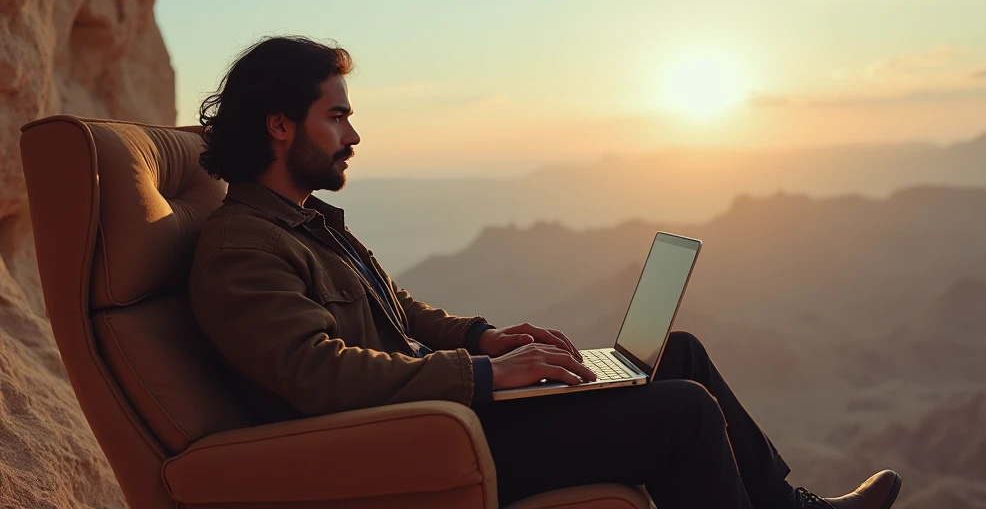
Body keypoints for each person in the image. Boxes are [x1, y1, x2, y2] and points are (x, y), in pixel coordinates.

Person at [189, 36, 901, 509]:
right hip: (416, 447)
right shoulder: (242, 247)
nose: (353, 135)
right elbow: (319, 377)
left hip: (445, 411)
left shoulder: (305, 224)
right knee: (680, 412)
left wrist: (484, 338)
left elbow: (396, 313)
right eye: (336, 116)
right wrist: (486, 378)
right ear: (280, 126)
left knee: (676, 353)